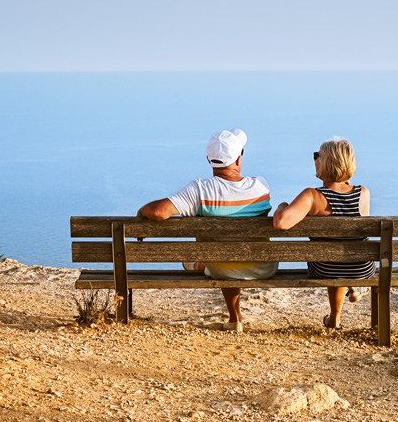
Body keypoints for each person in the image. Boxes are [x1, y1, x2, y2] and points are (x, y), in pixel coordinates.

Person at [136, 129, 277, 332]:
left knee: (223, 256)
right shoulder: (261, 186)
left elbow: (158, 212)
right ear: (238, 159)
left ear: (209, 160)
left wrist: (141, 214)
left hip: (222, 268)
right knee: (232, 250)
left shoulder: (199, 190)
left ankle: (230, 311)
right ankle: (205, 272)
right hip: (264, 267)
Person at [272, 137, 374, 329]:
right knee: (341, 254)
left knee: (331, 259)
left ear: (326, 162)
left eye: (316, 156)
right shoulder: (363, 193)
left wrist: (282, 205)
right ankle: (337, 314)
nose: (314, 160)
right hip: (362, 268)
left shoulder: (312, 196)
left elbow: (280, 222)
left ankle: (337, 314)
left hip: (325, 268)